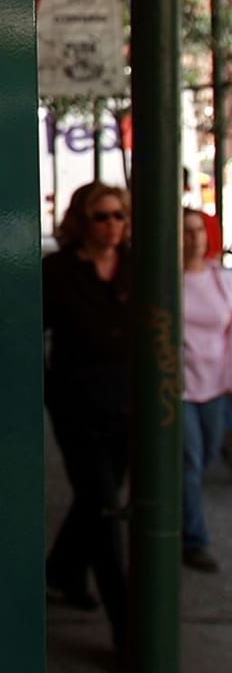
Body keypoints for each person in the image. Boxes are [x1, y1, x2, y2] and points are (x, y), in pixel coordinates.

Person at [43, 181, 131, 652]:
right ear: (82, 221)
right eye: (102, 216)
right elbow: (30, 331)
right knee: (103, 508)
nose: (112, 225)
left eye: (119, 215)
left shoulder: (138, 265)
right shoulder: (57, 271)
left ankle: (63, 570)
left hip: (128, 404)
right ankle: (127, 628)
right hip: (78, 406)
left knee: (99, 498)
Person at [181, 208, 232, 572]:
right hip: (179, 387)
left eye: (199, 230)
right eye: (185, 231)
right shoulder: (165, 280)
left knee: (209, 453)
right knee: (190, 461)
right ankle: (194, 538)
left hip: (215, 384)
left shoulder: (221, 279)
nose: (194, 238)